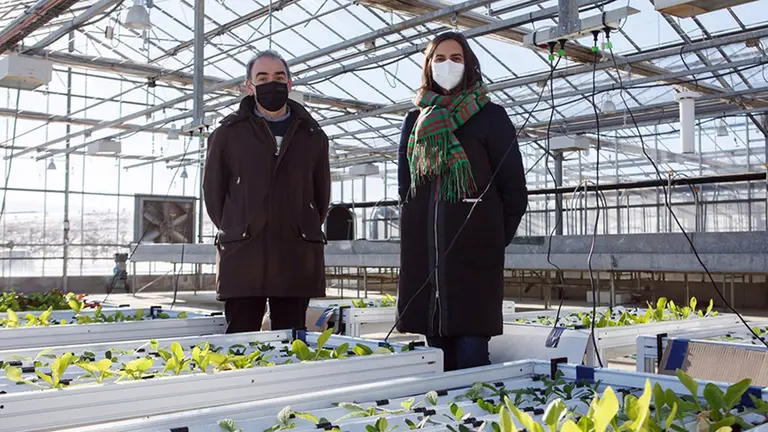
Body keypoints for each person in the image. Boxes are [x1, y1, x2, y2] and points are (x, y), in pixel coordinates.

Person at [395, 32, 528, 371]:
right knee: (437, 358)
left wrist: (490, 238)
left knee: (471, 357)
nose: (447, 65)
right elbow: (406, 189)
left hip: (474, 260)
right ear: (428, 66)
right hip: (427, 260)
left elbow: (513, 192)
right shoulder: (415, 120)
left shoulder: (490, 117)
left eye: (456, 58)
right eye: (438, 59)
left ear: (469, 64)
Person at [203, 50, 331, 334]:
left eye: (278, 77)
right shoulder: (228, 133)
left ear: (289, 84)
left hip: (295, 251)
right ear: (249, 86)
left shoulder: (312, 135)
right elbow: (213, 193)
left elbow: (320, 196)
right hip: (244, 252)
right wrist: (238, 225)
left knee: (291, 339)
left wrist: (301, 224)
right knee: (241, 339)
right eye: (262, 77)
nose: (271, 83)